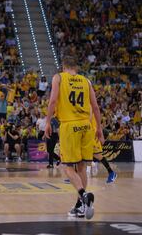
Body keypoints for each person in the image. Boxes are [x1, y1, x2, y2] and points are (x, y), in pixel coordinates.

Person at [44, 54, 104, 220]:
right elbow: (96, 107)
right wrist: (99, 128)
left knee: (66, 167)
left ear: (63, 67)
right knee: (82, 167)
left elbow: (53, 100)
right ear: (76, 68)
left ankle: (84, 195)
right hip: (86, 125)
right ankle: (80, 206)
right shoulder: (86, 81)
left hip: (70, 126)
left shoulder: (59, 78)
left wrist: (48, 121)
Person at [88, 116, 117, 183]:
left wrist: (101, 134)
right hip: (85, 132)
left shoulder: (91, 108)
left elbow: (95, 119)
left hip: (92, 133)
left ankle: (111, 172)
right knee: (79, 154)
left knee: (98, 155)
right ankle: (74, 176)